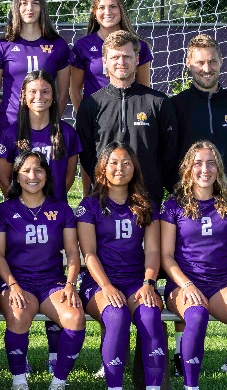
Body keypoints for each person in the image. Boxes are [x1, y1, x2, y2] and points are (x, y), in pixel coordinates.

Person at [161, 141, 227, 390]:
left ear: (219, 169)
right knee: (196, 314)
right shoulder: (174, 205)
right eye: (198, 163)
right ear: (188, 169)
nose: (205, 169)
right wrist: (187, 285)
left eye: (211, 163)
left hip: (220, 286)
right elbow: (166, 256)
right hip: (183, 285)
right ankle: (191, 386)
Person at [78, 142, 168, 390]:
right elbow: (89, 253)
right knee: (116, 316)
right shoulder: (89, 205)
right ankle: (114, 386)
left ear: (134, 168)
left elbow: (153, 251)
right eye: (114, 163)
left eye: (126, 163)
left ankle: (153, 387)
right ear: (103, 168)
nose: (120, 168)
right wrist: (106, 286)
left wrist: (149, 283)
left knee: (150, 315)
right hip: (99, 283)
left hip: (136, 282)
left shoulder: (146, 205)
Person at [0, 151, 84, 390]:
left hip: (52, 282)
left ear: (46, 175)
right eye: (26, 170)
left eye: (38, 170)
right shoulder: (4, 210)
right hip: (16, 281)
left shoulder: (62, 209)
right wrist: (13, 285)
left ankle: (59, 381)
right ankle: (19, 380)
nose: (32, 176)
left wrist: (70, 284)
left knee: (75, 317)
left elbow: (72, 253)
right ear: (17, 175)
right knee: (19, 314)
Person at [76, 30, 181, 203]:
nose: (121, 62)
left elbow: (169, 153)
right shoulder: (91, 105)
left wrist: (153, 180)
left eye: (127, 56)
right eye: (115, 57)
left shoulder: (158, 102)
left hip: (147, 198)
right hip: (105, 198)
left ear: (137, 59)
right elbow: (87, 156)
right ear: (105, 62)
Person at [170, 34, 227, 207]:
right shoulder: (174, 106)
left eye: (212, 62)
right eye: (200, 63)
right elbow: (168, 156)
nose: (207, 68)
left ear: (221, 61)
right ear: (188, 63)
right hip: (189, 203)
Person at [0, 0, 72, 125]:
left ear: (42, 7)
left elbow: (63, 95)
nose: (30, 8)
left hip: (46, 126)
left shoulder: (59, 46)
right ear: (16, 7)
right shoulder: (2, 46)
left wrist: (52, 124)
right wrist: (5, 126)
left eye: (35, 3)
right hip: (12, 125)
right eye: (24, 3)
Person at [0, 71, 81, 201]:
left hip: (55, 209)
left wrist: (52, 204)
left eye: (45, 91)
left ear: (53, 96)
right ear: (24, 95)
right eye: (33, 91)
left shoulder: (68, 133)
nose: (39, 96)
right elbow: (3, 180)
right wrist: (23, 205)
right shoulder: (10, 134)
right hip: (21, 210)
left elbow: (69, 178)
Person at [69, 0, 153, 106]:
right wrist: (84, 116)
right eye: (101, 7)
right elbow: (75, 91)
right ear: (94, 12)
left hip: (129, 113)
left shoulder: (139, 46)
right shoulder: (82, 46)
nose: (107, 12)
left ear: (121, 10)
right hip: (96, 115)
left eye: (113, 6)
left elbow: (144, 91)